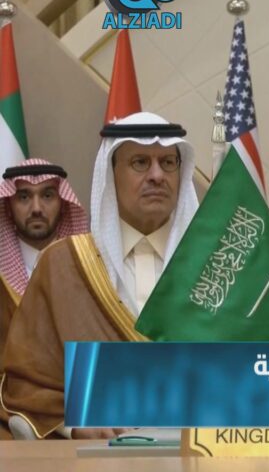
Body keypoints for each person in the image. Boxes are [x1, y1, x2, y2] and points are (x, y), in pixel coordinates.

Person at [0, 112, 199, 439]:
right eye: (140, 162)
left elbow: (251, 373)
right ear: (110, 173)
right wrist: (73, 424)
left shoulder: (214, 268)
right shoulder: (63, 265)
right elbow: (25, 388)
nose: (156, 176)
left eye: (167, 163)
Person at [0, 159, 88, 403]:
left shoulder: (89, 267)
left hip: (76, 401)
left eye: (47, 195)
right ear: (8, 206)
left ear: (63, 204)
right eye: (24, 197)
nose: (37, 208)